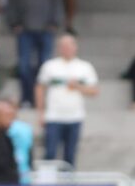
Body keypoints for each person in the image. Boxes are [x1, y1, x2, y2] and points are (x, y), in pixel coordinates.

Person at [35, 34, 99, 167]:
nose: (66, 49)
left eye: (69, 45)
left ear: (75, 47)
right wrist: (41, 112)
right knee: (50, 153)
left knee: (70, 155)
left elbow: (94, 91)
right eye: (63, 46)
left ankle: (68, 185)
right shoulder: (50, 66)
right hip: (53, 116)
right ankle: (47, 184)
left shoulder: (84, 67)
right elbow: (40, 88)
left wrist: (78, 86)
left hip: (75, 116)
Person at [7, 0, 64, 107]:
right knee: (24, 66)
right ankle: (27, 98)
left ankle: (40, 99)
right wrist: (14, 23)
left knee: (44, 66)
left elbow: (57, 3)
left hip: (46, 30)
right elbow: (12, 4)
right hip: (25, 31)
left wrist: (55, 22)